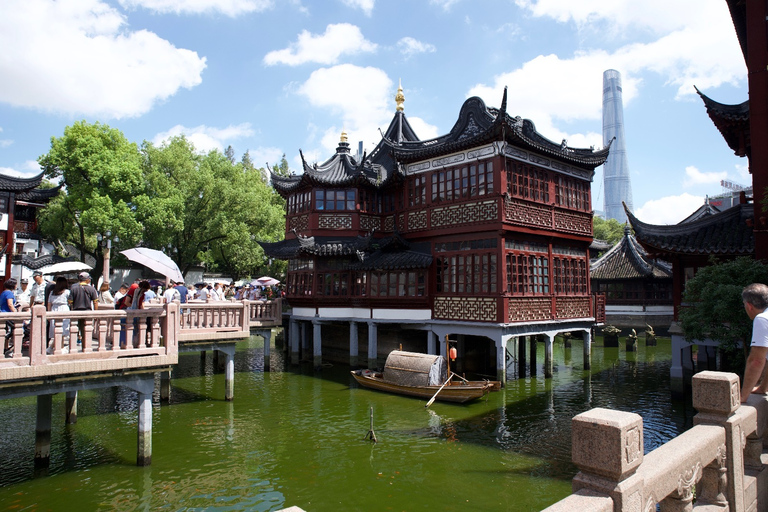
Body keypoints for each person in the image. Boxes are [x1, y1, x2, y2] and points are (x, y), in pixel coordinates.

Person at [741, 283, 768, 402]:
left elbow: (756, 360)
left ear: (749, 306)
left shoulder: (762, 319)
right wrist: (763, 388)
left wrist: (742, 396)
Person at [69, 272, 99, 345]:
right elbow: (95, 302)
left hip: (76, 312)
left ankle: (76, 345)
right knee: (86, 331)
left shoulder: (73, 288)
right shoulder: (92, 289)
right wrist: (96, 314)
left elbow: (70, 302)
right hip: (87, 312)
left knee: (75, 330)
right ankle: (85, 346)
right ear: (87, 279)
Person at [47, 276, 71, 343]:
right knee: (63, 328)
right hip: (64, 309)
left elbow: (49, 303)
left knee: (55, 328)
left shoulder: (52, 292)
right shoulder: (67, 292)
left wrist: (49, 313)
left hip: (54, 309)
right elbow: (70, 302)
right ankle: (58, 346)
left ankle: (57, 346)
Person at [1, 279, 17, 356]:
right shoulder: (9, 293)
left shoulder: (4, 292)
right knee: (10, 332)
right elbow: (10, 304)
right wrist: (16, 312)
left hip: (3, 313)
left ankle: (6, 347)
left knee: (6, 330)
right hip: (7, 315)